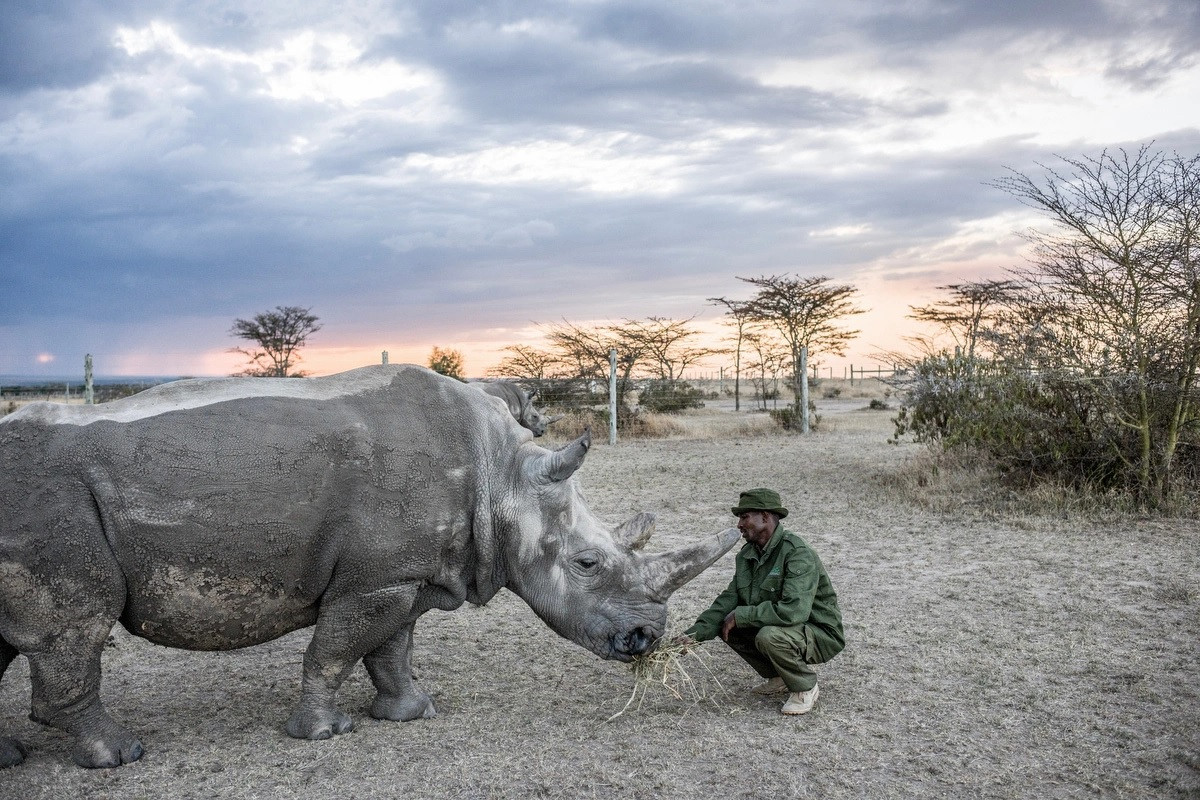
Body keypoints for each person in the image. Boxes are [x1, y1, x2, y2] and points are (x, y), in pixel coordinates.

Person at [677, 488, 844, 715]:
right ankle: (780, 677)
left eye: (744, 517)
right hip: (790, 629)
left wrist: (742, 615)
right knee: (728, 626)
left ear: (765, 517)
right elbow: (728, 600)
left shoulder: (797, 553)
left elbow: (794, 611)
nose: (739, 524)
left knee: (766, 635)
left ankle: (805, 686)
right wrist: (693, 635)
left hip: (819, 632)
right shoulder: (747, 555)